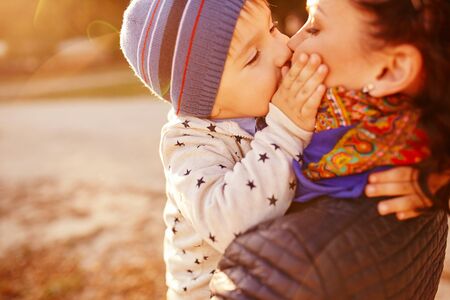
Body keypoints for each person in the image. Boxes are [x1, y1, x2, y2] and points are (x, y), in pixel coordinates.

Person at [211, 0, 449, 298]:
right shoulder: (424, 166)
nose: (291, 44)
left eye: (315, 27)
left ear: (392, 70)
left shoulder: (283, 265)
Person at [121, 0, 333, 298]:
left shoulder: (261, 101)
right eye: (253, 57)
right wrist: (287, 129)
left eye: (272, 28)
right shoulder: (189, 145)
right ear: (208, 104)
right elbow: (231, 223)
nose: (284, 49)